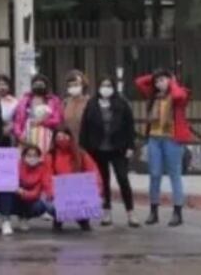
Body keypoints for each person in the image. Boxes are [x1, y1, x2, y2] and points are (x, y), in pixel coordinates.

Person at [80, 76, 139, 228]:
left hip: (118, 148)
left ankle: (130, 212)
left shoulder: (122, 103)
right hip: (98, 149)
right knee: (103, 181)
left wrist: (131, 147)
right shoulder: (92, 104)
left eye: (108, 85)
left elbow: (130, 126)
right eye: (103, 85)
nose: (105, 88)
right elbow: (84, 127)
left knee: (122, 178)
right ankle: (107, 211)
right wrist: (84, 148)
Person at [135, 69, 190, 227]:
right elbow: (139, 82)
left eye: (163, 80)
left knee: (174, 175)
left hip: (172, 139)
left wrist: (172, 82)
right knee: (154, 174)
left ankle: (177, 212)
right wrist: (155, 76)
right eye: (157, 81)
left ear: (170, 81)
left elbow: (179, 95)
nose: (160, 84)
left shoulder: (179, 94)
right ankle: (153, 211)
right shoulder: (154, 95)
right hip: (154, 139)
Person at [47, 127, 101, 232]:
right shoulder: (51, 155)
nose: (62, 139)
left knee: (87, 202)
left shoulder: (81, 154)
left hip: (79, 193)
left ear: (70, 136)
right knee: (49, 206)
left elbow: (93, 171)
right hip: (59, 194)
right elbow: (46, 176)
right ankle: (59, 218)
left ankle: (83, 219)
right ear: (54, 139)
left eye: (65, 136)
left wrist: (96, 190)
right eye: (58, 137)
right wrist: (51, 192)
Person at [13, 74, 63, 153]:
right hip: (26, 139)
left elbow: (57, 120)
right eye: (36, 84)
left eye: (41, 84)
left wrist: (42, 122)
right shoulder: (23, 101)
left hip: (47, 139)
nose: (38, 86)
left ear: (46, 86)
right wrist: (19, 135)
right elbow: (17, 121)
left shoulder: (54, 101)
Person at [16, 143, 53, 231]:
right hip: (16, 198)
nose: (32, 158)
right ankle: (7, 219)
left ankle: (25, 218)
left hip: (31, 199)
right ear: (23, 156)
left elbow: (37, 192)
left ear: (39, 157)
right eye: (29, 155)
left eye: (35, 155)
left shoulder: (42, 169)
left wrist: (24, 193)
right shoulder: (17, 166)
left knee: (41, 206)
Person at [62, 70, 91, 140]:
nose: (73, 87)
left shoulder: (90, 102)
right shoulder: (65, 103)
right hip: (69, 144)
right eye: (70, 85)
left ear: (83, 85)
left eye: (76, 84)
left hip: (86, 144)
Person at [0, 74, 19, 146]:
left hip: (8, 135)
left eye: (4, 84)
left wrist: (11, 126)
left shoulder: (14, 101)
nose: (2, 87)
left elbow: (18, 118)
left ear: (9, 87)